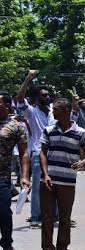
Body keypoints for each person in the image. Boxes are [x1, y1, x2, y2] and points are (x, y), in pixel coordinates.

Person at [39, 99, 85, 250]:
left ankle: (63, 247)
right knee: (47, 216)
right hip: (48, 180)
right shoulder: (48, 130)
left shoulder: (80, 132)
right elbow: (42, 153)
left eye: (56, 109)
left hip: (67, 181)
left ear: (66, 111)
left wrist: (83, 162)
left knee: (65, 216)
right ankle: (48, 249)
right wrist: (45, 174)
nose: (52, 112)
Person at [15, 69, 51, 228]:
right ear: (36, 98)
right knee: (36, 186)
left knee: (54, 185)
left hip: (53, 153)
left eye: (48, 95)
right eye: (44, 95)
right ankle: (35, 216)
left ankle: (52, 215)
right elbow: (19, 98)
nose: (47, 97)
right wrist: (28, 78)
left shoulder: (53, 112)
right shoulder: (31, 111)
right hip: (37, 152)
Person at [0, 91, 30, 250]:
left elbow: (24, 153)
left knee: (4, 214)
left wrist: (24, 177)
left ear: (6, 105)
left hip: (3, 177)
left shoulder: (16, 126)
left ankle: (7, 244)